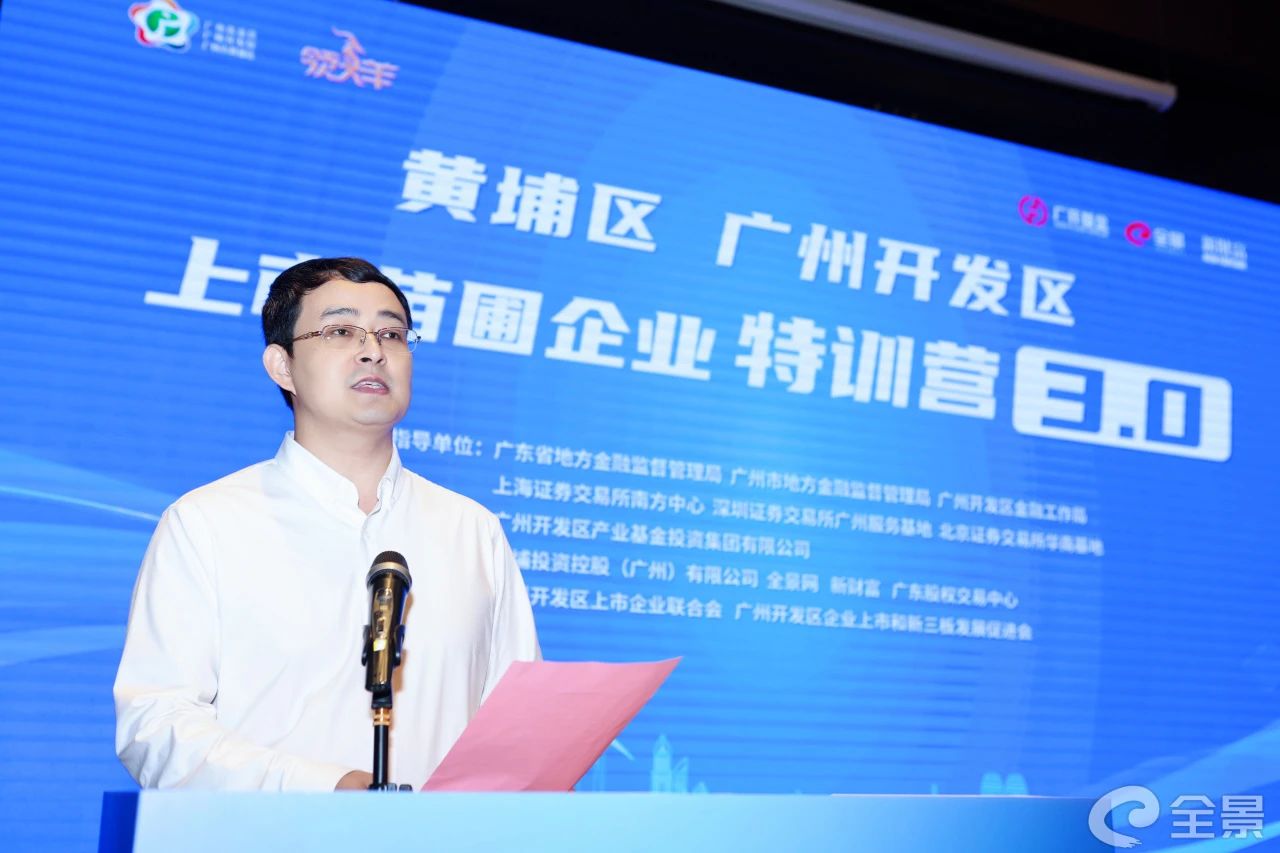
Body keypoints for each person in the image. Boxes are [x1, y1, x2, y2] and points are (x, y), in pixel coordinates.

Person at [114, 258, 539, 791]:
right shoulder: (207, 523)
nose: (373, 350)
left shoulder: (473, 531)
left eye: (391, 334)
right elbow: (155, 727)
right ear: (282, 366)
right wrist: (324, 788)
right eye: (340, 331)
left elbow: (521, 727)